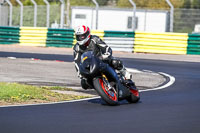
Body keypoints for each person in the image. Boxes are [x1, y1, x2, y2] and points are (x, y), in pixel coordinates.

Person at [73, 25, 132, 89]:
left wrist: (105, 55)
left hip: (102, 59)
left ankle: (125, 73)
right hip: (90, 66)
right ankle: (99, 88)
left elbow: (106, 48)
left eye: (82, 36)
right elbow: (77, 62)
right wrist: (80, 74)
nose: (80, 38)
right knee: (83, 83)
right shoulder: (76, 47)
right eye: (78, 36)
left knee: (115, 62)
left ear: (87, 34)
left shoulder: (95, 39)